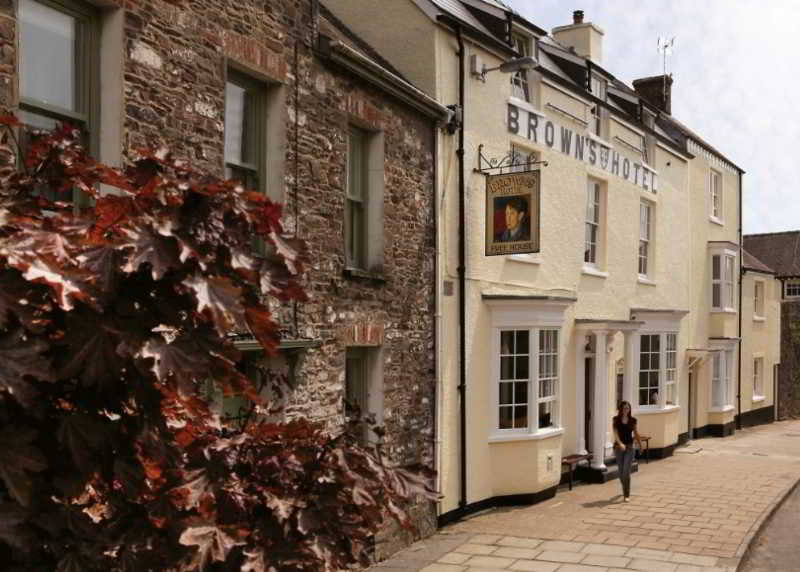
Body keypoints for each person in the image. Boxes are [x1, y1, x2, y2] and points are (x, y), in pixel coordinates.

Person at [612, 400, 642, 502]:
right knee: (621, 473)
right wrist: (620, 443)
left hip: (630, 447)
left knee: (626, 471)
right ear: (621, 409)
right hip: (618, 448)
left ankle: (626, 494)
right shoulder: (615, 420)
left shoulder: (633, 420)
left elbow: (636, 433)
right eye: (624, 408)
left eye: (628, 408)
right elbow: (615, 434)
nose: (626, 410)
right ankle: (625, 488)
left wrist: (640, 445)